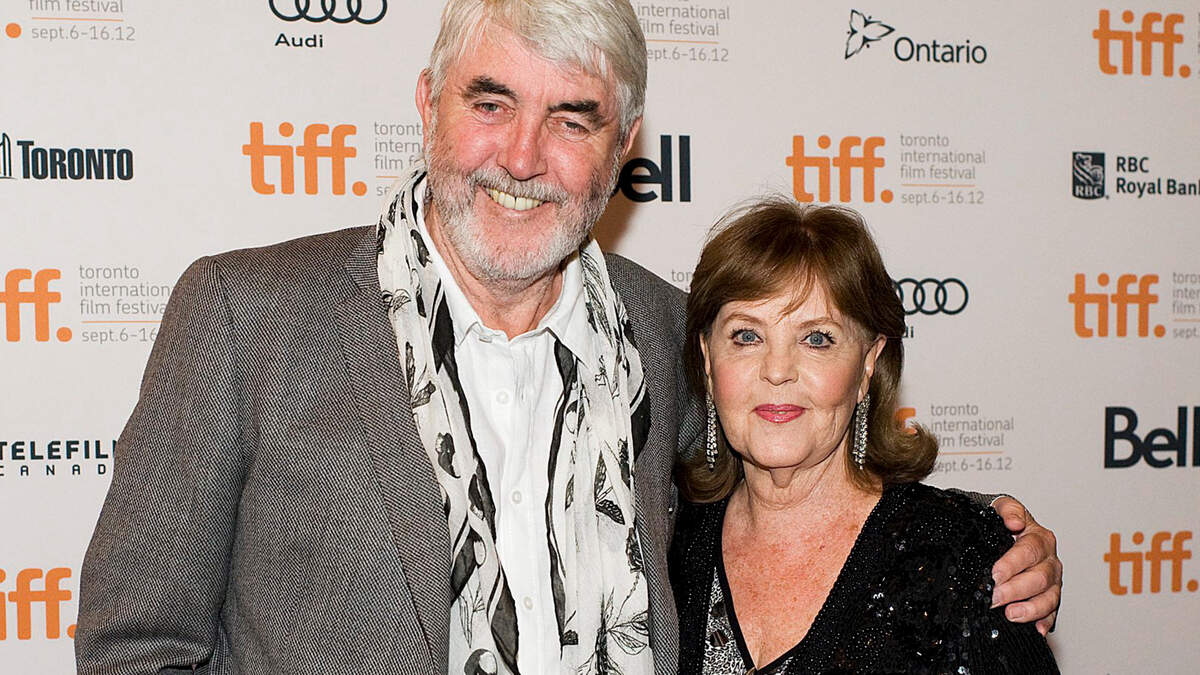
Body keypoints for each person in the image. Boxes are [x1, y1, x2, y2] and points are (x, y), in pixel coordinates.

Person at [75, 2, 1061, 674]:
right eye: (490, 103)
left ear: (623, 145)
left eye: (572, 119)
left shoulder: (666, 331)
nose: (522, 157)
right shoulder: (247, 315)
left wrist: (987, 545)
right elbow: (136, 646)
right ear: (427, 103)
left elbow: (792, 480)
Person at [670, 199, 1059, 674]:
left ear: (868, 364)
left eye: (817, 338)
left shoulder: (964, 559)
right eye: (747, 336)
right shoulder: (667, 546)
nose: (777, 370)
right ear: (708, 361)